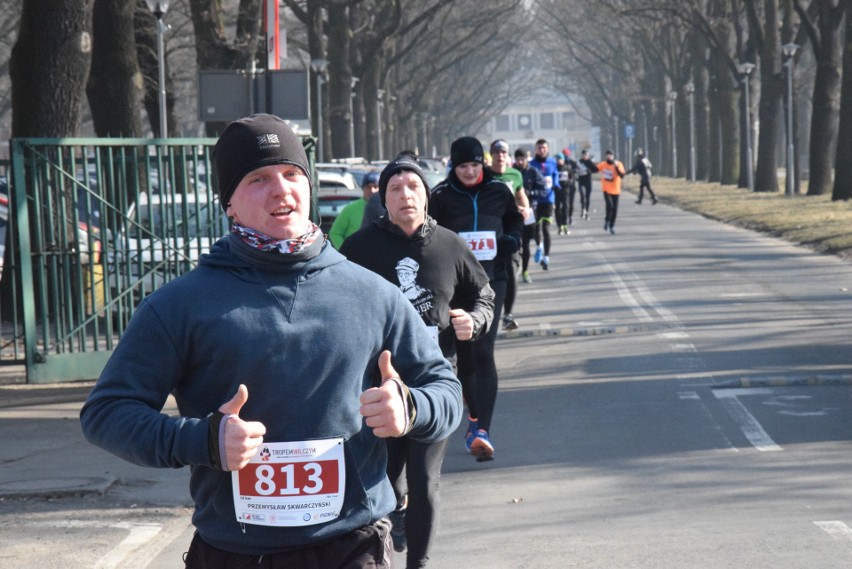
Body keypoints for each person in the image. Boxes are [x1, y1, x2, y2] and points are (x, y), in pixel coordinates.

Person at [79, 113, 463, 569]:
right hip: (237, 554)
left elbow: (446, 389)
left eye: (291, 174)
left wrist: (411, 407)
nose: (281, 190)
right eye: (258, 179)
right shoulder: (181, 305)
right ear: (230, 205)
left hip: (353, 547)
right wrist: (201, 440)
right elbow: (106, 413)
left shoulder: (373, 293)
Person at [341, 152, 495, 569]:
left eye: (413, 187)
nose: (405, 194)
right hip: (378, 387)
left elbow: (484, 294)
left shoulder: (449, 244)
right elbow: (333, 299)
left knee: (425, 482)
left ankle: (418, 565)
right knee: (387, 482)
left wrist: (474, 319)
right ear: (383, 200)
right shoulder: (359, 248)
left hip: (434, 383)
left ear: (425, 196)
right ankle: (393, 522)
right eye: (395, 188)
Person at [429, 136, 524, 461]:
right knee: (460, 353)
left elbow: (515, 220)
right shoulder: (440, 196)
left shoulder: (499, 191)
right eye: (462, 166)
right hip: (454, 287)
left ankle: (481, 429)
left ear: (482, 163)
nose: (469, 172)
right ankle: (471, 414)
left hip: (491, 282)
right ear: (453, 166)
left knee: (483, 349)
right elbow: (428, 235)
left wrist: (512, 239)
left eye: (474, 164)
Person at [488, 139, 530, 331]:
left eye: (504, 152)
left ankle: (508, 314)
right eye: (496, 152)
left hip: (509, 229)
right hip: (489, 230)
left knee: (511, 271)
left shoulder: (515, 175)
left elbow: (522, 196)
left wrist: (526, 209)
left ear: (508, 155)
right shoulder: (484, 174)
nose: (500, 155)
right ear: (492, 155)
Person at [514, 148, 546, 283]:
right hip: (513, 212)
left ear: (527, 159)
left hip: (529, 212)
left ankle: (525, 271)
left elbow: (543, 189)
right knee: (515, 242)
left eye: (523, 159)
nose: (520, 162)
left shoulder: (533, 172)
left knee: (526, 242)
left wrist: (531, 193)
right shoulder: (511, 173)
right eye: (518, 159)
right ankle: (515, 265)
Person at [328, 170, 380, 248]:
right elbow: (335, 233)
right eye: (368, 187)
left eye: (375, 187)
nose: (372, 190)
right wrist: (346, 251)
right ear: (363, 188)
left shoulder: (388, 208)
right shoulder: (350, 209)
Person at [529, 139, 559, 270]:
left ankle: (546, 257)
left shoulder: (552, 162)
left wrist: (557, 184)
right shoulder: (531, 164)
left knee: (546, 228)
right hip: (535, 200)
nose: (542, 150)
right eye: (539, 148)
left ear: (547, 149)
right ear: (535, 149)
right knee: (536, 228)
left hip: (548, 199)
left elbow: (555, 175)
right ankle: (539, 246)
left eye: (544, 148)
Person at [596, 149, 626, 234]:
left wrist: (616, 167)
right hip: (606, 189)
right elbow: (595, 169)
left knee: (615, 209)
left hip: (616, 190)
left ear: (613, 156)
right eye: (607, 155)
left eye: (611, 155)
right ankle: (607, 220)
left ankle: (612, 225)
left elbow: (622, 175)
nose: (609, 156)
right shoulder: (603, 164)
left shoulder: (618, 164)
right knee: (609, 205)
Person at [554, 152, 578, 234]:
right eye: (557, 159)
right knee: (557, 209)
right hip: (556, 191)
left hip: (566, 191)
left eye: (560, 159)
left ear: (563, 160)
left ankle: (565, 225)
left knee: (565, 208)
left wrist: (568, 183)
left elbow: (571, 177)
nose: (559, 161)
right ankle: (559, 226)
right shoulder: (554, 168)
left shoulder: (567, 168)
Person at [576, 149, 598, 220]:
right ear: (582, 155)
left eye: (586, 155)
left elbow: (595, 170)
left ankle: (587, 212)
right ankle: (583, 209)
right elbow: (575, 170)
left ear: (588, 155)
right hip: (581, 181)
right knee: (582, 196)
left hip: (588, 181)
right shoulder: (579, 162)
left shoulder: (590, 162)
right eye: (584, 155)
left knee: (588, 197)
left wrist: (591, 169)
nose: (585, 156)